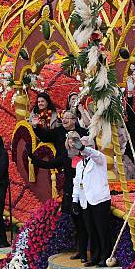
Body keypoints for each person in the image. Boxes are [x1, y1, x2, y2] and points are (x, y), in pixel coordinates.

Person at [30, 110, 88, 260]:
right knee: (75, 218)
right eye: (64, 118)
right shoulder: (62, 148)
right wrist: (33, 158)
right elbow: (49, 161)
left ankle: (89, 251)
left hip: (85, 186)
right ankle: (81, 250)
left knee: (85, 219)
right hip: (70, 185)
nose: (66, 120)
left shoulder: (85, 150)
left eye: (69, 118)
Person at [71, 135, 112, 267]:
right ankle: (94, 257)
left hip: (99, 199)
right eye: (79, 146)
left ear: (91, 147)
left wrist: (83, 148)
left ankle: (105, 257)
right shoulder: (79, 164)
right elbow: (77, 182)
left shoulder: (99, 158)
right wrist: (75, 200)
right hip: (85, 201)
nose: (81, 149)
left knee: (102, 230)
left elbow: (94, 154)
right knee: (91, 231)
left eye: (83, 146)